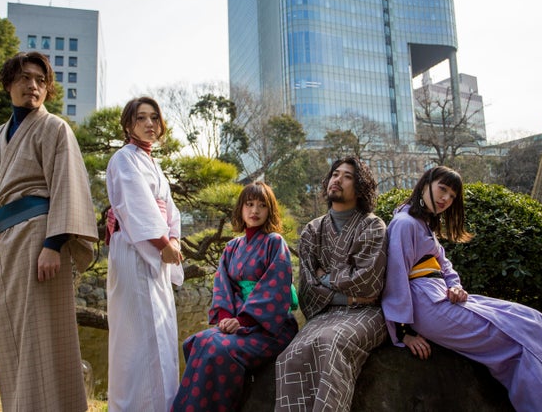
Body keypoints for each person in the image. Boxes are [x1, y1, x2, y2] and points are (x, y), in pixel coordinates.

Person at [382, 165, 542, 411]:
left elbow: (445, 265)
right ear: (424, 185)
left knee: (536, 322)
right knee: (518, 340)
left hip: (442, 297)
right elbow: (396, 278)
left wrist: (455, 286)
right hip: (428, 307)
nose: (446, 199)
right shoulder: (405, 223)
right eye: (442, 189)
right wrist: (404, 332)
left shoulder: (424, 223)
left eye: (452, 196)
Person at [0, 51, 98, 412]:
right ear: (8, 84)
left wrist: (53, 244)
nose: (33, 86)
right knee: (6, 332)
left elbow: (67, 185)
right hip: (4, 245)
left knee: (42, 335)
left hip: (38, 241)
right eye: (25, 78)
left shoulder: (55, 128)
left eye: (40, 81)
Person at [171, 181, 298, 411]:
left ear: (270, 210)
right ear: (241, 208)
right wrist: (226, 317)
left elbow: (276, 287)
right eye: (249, 204)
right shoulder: (232, 246)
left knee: (218, 349)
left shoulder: (275, 242)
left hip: (270, 327)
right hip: (238, 322)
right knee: (198, 341)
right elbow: (222, 285)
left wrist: (243, 320)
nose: (255, 210)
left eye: (262, 205)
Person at [275, 156, 388, 412]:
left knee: (331, 342)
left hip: (366, 312)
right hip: (327, 313)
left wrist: (324, 277)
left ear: (360, 188)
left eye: (347, 176)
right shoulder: (312, 230)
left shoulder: (373, 226)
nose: (338, 180)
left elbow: (368, 285)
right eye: (335, 174)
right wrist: (349, 295)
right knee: (290, 356)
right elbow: (307, 291)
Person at [105, 96, 184, 412]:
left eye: (154, 118)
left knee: (159, 330)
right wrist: (163, 243)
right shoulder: (124, 159)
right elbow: (137, 206)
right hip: (135, 250)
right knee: (137, 335)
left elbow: (171, 210)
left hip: (156, 250)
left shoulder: (152, 163)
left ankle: (163, 404)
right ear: (128, 125)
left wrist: (173, 239)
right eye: (141, 118)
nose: (150, 124)